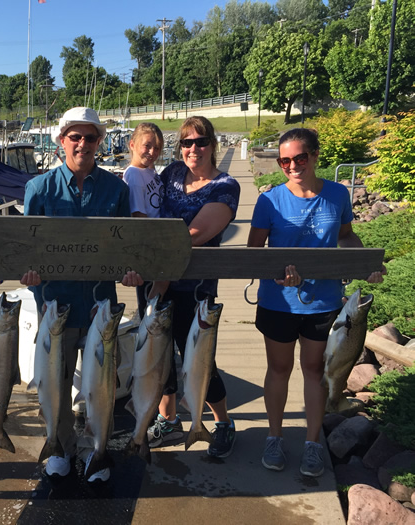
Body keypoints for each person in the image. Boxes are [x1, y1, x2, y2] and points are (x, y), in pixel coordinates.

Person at [247, 127, 385, 477]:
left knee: (313, 371)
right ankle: (274, 437)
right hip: (278, 301)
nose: (292, 166)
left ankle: (312, 444)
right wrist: (278, 274)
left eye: (300, 158)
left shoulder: (338, 194)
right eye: (285, 160)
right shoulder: (269, 200)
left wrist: (365, 263)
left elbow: (346, 236)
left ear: (315, 156)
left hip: (322, 303)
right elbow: (254, 253)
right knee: (279, 370)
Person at [20, 106, 142, 483]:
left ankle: (96, 452)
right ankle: (59, 447)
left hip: (99, 311)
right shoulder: (38, 189)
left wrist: (131, 271)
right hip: (54, 308)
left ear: (100, 142)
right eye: (75, 137)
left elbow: (125, 249)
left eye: (91, 137)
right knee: (53, 386)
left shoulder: (117, 189)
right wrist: (28, 272)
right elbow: (28, 247)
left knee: (100, 389)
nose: (83, 144)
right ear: (61, 141)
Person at [147, 116, 240, 458]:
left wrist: (162, 273)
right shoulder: (171, 173)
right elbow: (145, 204)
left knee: (198, 361)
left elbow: (196, 236)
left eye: (200, 142)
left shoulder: (225, 186)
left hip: (195, 290)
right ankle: (167, 420)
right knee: (159, 358)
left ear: (212, 144)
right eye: (186, 143)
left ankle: (223, 423)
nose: (193, 149)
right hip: (157, 283)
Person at [122, 122, 164, 318]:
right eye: (147, 145)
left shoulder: (149, 171)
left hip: (158, 245)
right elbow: (139, 216)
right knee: (150, 309)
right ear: (132, 145)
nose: (152, 151)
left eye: (157, 147)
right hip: (150, 251)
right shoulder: (133, 175)